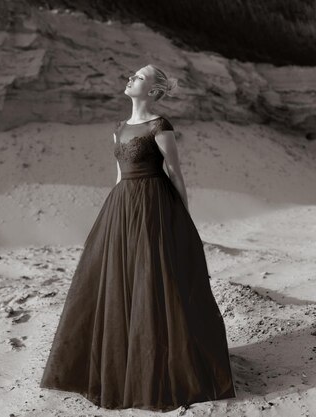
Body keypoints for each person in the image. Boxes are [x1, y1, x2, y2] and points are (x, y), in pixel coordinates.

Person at [40, 64, 236, 412]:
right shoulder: (118, 129)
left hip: (155, 208)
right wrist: (111, 219)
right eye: (132, 75)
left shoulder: (160, 126)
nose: (131, 78)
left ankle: (161, 368)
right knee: (116, 282)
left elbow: (175, 174)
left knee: (154, 284)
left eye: (140, 77)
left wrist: (184, 222)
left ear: (154, 91)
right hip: (121, 208)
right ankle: (119, 365)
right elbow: (118, 177)